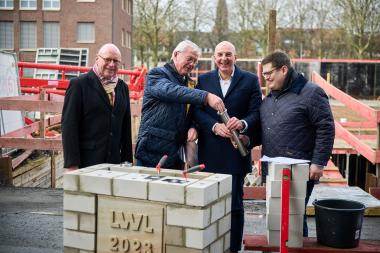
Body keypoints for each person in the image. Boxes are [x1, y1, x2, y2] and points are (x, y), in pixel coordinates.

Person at [193, 41, 262, 253]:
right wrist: (214, 126)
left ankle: (233, 249)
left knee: (235, 206)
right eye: (220, 55)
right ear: (214, 58)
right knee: (208, 204)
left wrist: (242, 123)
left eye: (228, 55)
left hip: (235, 153)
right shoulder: (203, 80)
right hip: (209, 153)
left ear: (236, 57)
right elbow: (196, 112)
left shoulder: (250, 80)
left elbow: (257, 112)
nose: (224, 58)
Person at [260, 51, 335, 236]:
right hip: (273, 166)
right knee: (276, 217)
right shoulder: (270, 98)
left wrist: (318, 162)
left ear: (283, 69)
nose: (266, 79)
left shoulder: (311, 93)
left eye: (269, 73)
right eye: (263, 74)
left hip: (299, 166)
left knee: (294, 217)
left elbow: (326, 128)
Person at [135, 40, 225, 169]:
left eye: (195, 61)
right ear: (176, 54)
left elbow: (193, 111)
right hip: (151, 152)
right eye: (189, 59)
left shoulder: (190, 83)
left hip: (173, 154)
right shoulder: (156, 74)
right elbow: (171, 91)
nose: (192, 64)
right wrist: (206, 96)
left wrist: (193, 127)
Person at [62, 43, 133, 169]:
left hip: (114, 164)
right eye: (107, 59)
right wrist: (72, 164)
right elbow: (69, 126)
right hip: (87, 163)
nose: (112, 64)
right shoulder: (79, 85)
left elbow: (126, 128)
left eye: (116, 61)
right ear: (97, 59)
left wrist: (127, 161)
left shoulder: (122, 88)